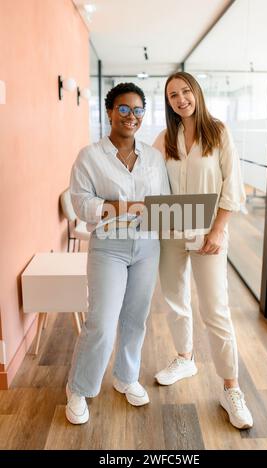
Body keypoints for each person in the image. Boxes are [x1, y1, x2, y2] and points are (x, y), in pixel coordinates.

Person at [153, 72, 253, 430]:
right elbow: (149, 180)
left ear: (197, 92)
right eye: (173, 95)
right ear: (168, 102)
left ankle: (231, 388)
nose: (180, 99)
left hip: (209, 231)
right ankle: (185, 358)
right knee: (174, 298)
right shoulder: (165, 138)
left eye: (185, 91)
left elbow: (232, 186)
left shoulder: (219, 132)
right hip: (171, 231)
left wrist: (218, 230)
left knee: (215, 309)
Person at [66, 82, 170, 424]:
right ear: (110, 112)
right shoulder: (90, 156)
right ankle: (79, 388)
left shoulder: (154, 157)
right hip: (108, 246)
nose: (131, 116)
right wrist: (123, 206)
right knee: (102, 323)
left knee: (135, 319)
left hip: (147, 246)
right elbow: (81, 204)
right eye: (123, 109)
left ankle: (126, 377)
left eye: (138, 110)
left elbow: (163, 203)